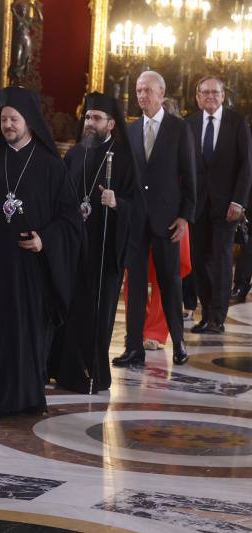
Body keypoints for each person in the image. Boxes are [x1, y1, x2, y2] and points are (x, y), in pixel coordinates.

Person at [0, 86, 81, 421]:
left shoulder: (50, 166)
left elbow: (70, 219)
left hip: (31, 270)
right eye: (3, 119)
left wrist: (45, 240)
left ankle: (26, 399)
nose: (8, 125)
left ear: (29, 121)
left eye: (14, 119)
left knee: (25, 335)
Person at [47, 92, 137, 394]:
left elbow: (139, 207)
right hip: (74, 249)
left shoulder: (123, 158)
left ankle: (91, 374)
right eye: (87, 117)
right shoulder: (75, 154)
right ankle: (60, 369)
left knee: (96, 312)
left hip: (103, 250)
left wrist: (118, 203)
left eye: (96, 118)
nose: (90, 123)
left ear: (111, 123)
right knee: (68, 308)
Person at [113, 71, 196, 368]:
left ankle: (179, 343)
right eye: (138, 90)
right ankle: (133, 347)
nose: (142, 96)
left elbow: (190, 176)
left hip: (167, 221)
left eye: (147, 90)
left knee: (170, 283)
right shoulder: (132, 130)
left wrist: (185, 217)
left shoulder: (179, 128)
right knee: (134, 285)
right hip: (136, 221)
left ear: (161, 93)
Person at [186, 76, 252, 334]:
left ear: (223, 96)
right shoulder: (189, 123)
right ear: (198, 97)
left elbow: (247, 166)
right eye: (205, 92)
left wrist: (239, 201)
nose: (210, 96)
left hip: (227, 207)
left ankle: (218, 317)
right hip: (197, 205)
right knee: (199, 260)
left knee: (222, 259)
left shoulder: (237, 123)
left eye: (215, 92)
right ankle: (205, 314)